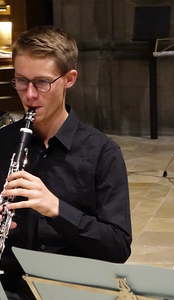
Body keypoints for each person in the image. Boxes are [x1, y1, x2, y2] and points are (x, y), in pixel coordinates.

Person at [0, 26, 132, 299]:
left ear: (69, 79)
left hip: (75, 291)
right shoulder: (3, 143)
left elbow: (118, 248)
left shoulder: (102, 153)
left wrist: (57, 209)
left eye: (42, 83)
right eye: (21, 81)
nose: (30, 95)